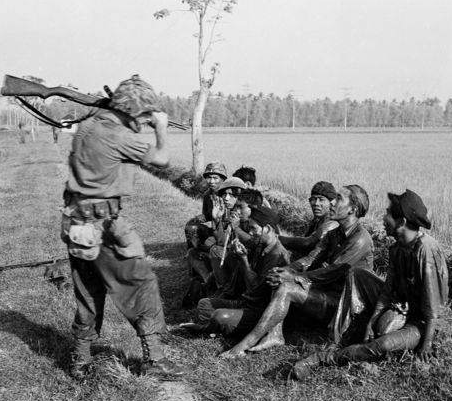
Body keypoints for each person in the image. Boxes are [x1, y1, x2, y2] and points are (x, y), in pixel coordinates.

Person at [62, 74, 188, 380]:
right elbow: (162, 159)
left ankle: (79, 361)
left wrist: (133, 118)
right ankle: (154, 359)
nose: (145, 120)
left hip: (78, 222)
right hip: (105, 225)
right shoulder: (118, 135)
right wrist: (159, 128)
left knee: (88, 291)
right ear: (133, 111)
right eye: (144, 114)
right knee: (142, 283)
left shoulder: (89, 126)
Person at [292, 189, 449, 380]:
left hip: (422, 322)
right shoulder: (396, 248)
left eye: (388, 214)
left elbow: (432, 306)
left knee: (382, 345)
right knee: (357, 274)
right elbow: (387, 291)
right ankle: (341, 335)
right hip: (400, 307)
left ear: (402, 222)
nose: (383, 218)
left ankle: (323, 358)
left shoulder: (426, 250)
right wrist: (372, 322)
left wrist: (427, 344)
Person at [220, 185, 374, 357]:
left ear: (352, 209)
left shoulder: (360, 239)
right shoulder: (335, 233)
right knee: (280, 275)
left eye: (338, 199)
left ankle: (246, 342)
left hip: (346, 306)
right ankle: (274, 334)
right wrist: (284, 270)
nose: (332, 202)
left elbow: (332, 272)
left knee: (286, 287)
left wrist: (294, 276)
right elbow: (309, 260)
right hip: (329, 294)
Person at [182, 205, 290, 335]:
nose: (250, 233)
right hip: (245, 302)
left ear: (267, 229)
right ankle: (220, 327)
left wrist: (244, 259)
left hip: (259, 311)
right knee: (204, 304)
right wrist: (237, 256)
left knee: (219, 316)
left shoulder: (277, 256)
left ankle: (207, 328)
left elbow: (255, 289)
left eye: (253, 228)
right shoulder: (260, 245)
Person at [182, 162, 228, 306]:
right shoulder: (208, 195)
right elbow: (207, 215)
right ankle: (195, 261)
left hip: (226, 233)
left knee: (211, 245)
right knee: (191, 227)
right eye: (209, 178)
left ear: (222, 179)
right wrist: (200, 218)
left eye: (215, 178)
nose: (211, 181)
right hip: (215, 228)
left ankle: (210, 275)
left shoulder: (228, 195)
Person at [279, 181, 338, 258]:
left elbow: (308, 243)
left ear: (331, 202)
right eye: (313, 199)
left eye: (321, 200)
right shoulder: (317, 220)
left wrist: (277, 238)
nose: (316, 203)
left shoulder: (331, 223)